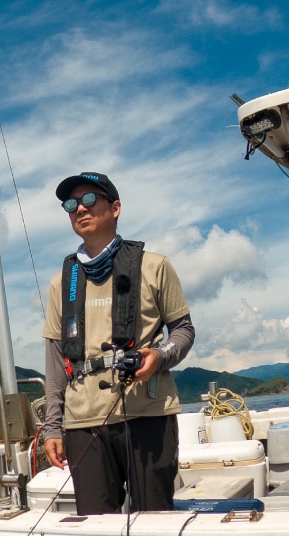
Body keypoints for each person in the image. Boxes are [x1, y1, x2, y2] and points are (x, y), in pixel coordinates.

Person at [41, 171, 196, 514]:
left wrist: (158, 356)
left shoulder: (156, 266)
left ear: (115, 208)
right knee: (96, 526)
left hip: (147, 412)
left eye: (90, 199)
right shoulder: (60, 285)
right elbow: (55, 362)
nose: (80, 208)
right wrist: (53, 426)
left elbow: (183, 331)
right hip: (83, 421)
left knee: (153, 518)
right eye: (71, 204)